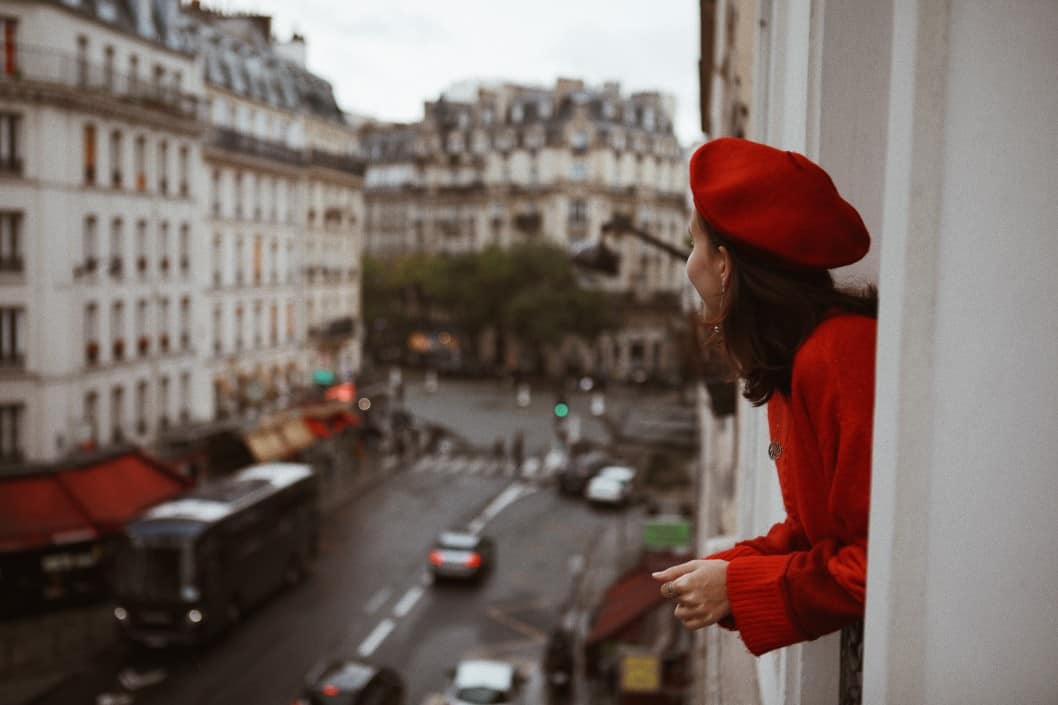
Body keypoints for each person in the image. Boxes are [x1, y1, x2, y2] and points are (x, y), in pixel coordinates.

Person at [651, 137, 877, 656]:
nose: (689, 265)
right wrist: (725, 570)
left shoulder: (836, 357)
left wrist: (735, 586)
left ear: (725, 264)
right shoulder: (798, 358)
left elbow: (876, 560)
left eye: (693, 244)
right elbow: (815, 533)